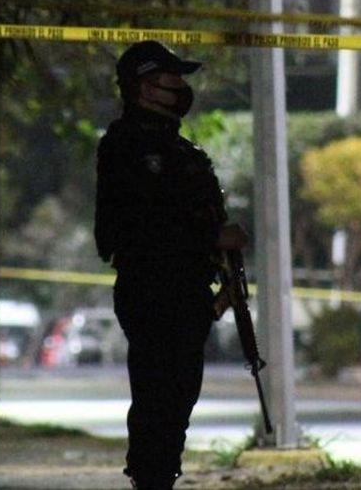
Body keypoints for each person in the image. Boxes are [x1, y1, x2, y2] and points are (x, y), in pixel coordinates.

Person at [94, 40, 247, 489]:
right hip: (151, 290)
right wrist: (210, 237)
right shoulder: (126, 145)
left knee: (179, 399)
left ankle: (160, 477)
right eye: (172, 79)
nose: (182, 88)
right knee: (158, 400)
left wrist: (221, 285)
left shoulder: (182, 152)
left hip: (186, 293)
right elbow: (133, 228)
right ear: (145, 87)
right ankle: (151, 479)